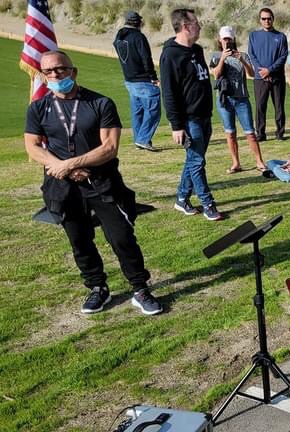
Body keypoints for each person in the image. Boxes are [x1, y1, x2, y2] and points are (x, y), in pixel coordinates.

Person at [25, 50, 163, 315]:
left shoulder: (100, 103)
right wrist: (64, 170)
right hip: (63, 187)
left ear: (73, 71)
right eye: (49, 72)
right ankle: (97, 287)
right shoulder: (39, 108)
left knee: (121, 236)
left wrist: (71, 164)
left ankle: (140, 288)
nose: (55, 75)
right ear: (43, 76)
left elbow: (109, 147)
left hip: (102, 183)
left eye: (61, 69)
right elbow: (32, 146)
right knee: (79, 241)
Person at [160, 8, 223, 221]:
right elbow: (169, 93)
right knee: (197, 163)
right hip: (189, 119)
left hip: (204, 115)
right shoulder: (170, 54)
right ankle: (208, 203)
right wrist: (176, 126)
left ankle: (181, 198)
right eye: (196, 23)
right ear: (186, 26)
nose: (200, 26)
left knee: (194, 160)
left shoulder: (196, 50)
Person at [210, 26, 267, 175]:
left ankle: (259, 161)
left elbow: (252, 73)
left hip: (241, 99)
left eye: (229, 38)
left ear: (233, 39)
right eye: (224, 39)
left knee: (250, 132)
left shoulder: (242, 55)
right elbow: (215, 74)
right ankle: (236, 163)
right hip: (225, 99)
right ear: (219, 40)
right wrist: (223, 58)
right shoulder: (215, 56)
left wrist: (242, 60)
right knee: (230, 132)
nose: (227, 41)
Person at [113, 11, 161, 152]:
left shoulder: (120, 36)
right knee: (153, 110)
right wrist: (153, 76)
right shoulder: (138, 37)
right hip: (143, 79)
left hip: (129, 79)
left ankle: (139, 139)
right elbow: (146, 58)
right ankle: (143, 139)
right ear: (138, 22)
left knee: (137, 111)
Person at [248, 7, 288, 142]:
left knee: (279, 106)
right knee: (260, 106)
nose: (266, 21)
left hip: (277, 77)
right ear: (260, 20)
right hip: (260, 78)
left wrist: (270, 70)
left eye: (269, 18)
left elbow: (283, 56)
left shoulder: (281, 36)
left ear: (273, 19)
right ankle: (260, 133)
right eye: (264, 18)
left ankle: (280, 132)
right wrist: (262, 71)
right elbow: (251, 55)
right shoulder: (253, 35)